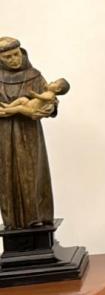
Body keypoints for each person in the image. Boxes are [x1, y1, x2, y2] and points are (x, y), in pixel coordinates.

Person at [0, 38, 58, 230]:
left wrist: (49, 108)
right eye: (8, 57)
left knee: (33, 173)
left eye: (16, 54)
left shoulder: (34, 75)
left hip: (30, 134)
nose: (14, 59)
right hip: (4, 134)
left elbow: (50, 99)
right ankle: (13, 222)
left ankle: (37, 217)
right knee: (7, 175)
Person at [0, 78, 69, 118]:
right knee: (22, 99)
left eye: (54, 82)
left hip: (31, 111)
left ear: (58, 89)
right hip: (28, 104)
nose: (51, 82)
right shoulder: (48, 92)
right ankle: (8, 106)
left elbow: (46, 99)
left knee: (19, 108)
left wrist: (35, 95)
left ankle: (5, 110)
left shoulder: (50, 95)